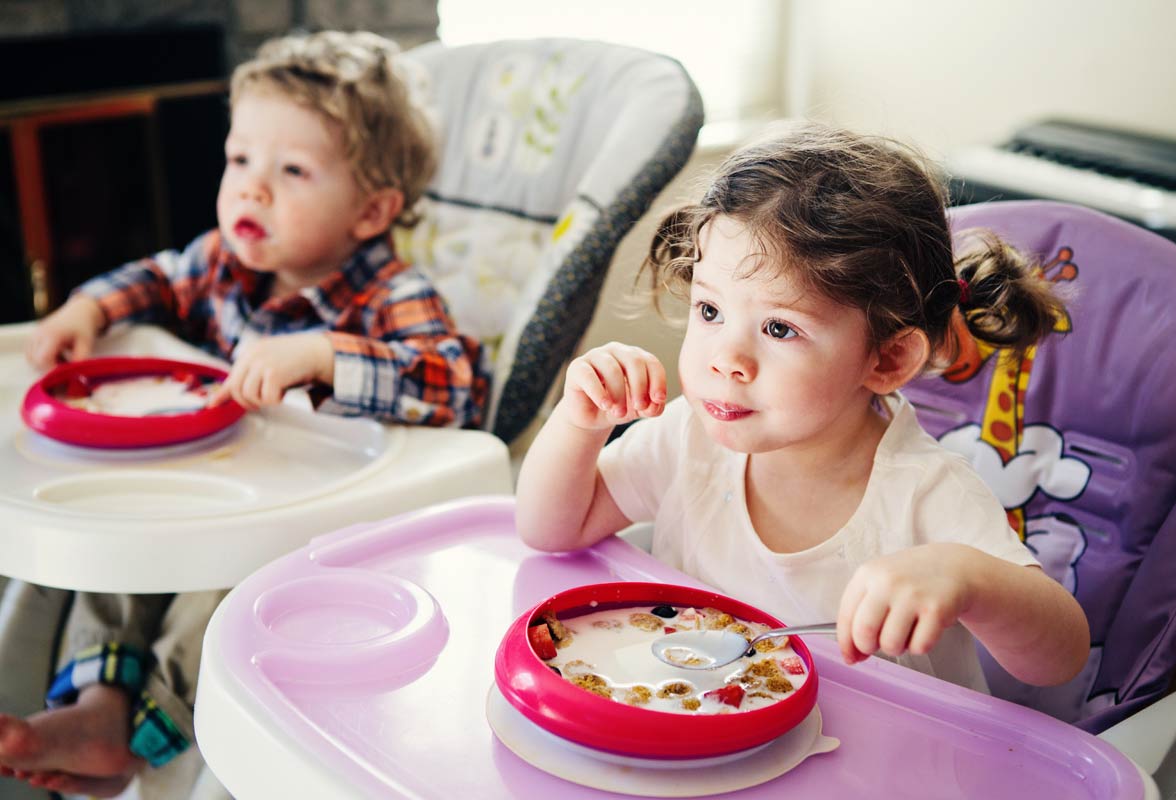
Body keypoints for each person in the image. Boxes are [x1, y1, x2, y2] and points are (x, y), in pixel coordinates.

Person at [0, 30, 487, 797]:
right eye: (240, 161)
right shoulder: (224, 264)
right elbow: (156, 278)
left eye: (292, 171)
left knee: (218, 590)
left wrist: (327, 355)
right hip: (220, 484)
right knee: (125, 543)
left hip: (303, 517)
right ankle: (96, 701)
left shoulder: (394, 294)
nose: (251, 190)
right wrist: (89, 307)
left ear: (372, 211)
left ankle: (142, 724)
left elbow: (456, 383)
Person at [515, 124, 1090, 693]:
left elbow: (1058, 660)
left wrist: (969, 579)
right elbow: (551, 529)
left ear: (887, 359)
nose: (726, 359)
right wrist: (579, 423)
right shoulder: (689, 438)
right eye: (710, 311)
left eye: (779, 327)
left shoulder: (925, 491)